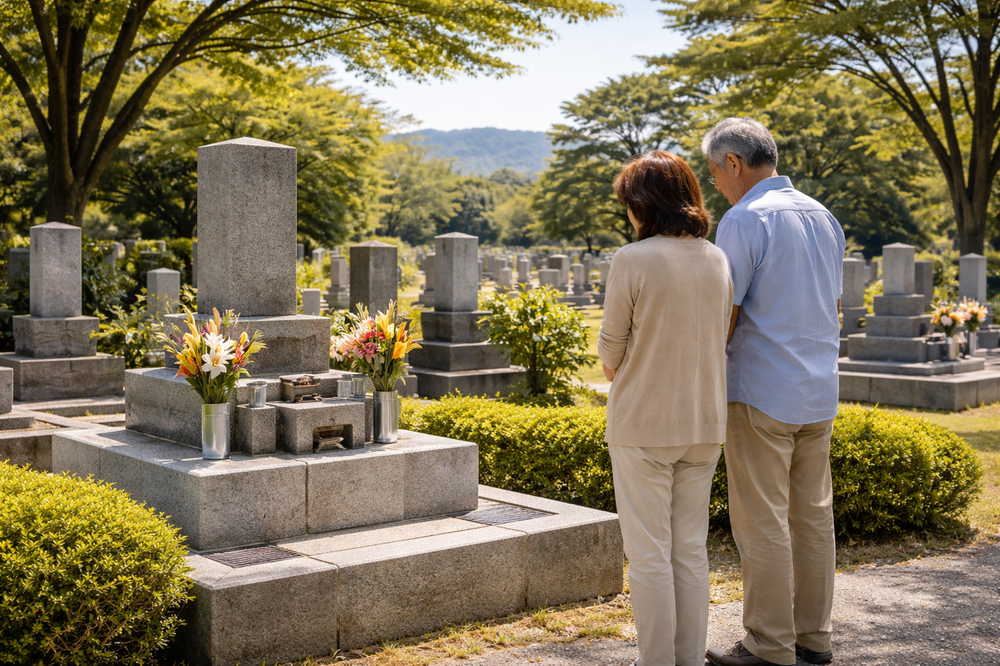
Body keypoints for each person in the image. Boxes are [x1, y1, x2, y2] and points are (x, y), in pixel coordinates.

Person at [702, 117, 845, 666]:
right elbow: (833, 306)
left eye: (715, 172)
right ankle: (814, 637)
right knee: (812, 518)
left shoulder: (743, 220)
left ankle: (768, 645)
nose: (716, 183)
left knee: (761, 521)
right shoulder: (823, 215)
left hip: (760, 391)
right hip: (817, 390)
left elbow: (726, 314)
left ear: (733, 163)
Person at [598, 150, 734, 666]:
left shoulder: (633, 260)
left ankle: (657, 661)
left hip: (644, 423)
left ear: (643, 204)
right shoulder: (716, 257)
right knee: (690, 550)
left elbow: (611, 352)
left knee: (650, 555)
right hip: (704, 423)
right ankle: (688, 659)